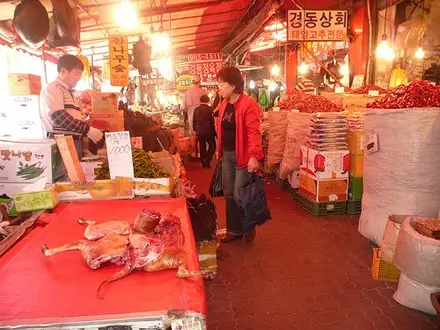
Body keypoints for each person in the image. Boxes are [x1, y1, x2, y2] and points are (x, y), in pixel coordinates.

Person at [216, 66, 264, 243]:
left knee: (239, 194)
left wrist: (253, 156)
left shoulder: (248, 104)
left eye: (222, 84)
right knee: (228, 194)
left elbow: (253, 131)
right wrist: (219, 151)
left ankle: (249, 225)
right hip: (227, 155)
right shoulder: (223, 104)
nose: (219, 88)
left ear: (233, 86)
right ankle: (234, 229)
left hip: (243, 155)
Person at [40, 55, 104, 159]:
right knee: (67, 173)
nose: (79, 78)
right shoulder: (53, 88)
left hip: (73, 141)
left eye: (80, 74)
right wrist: (88, 130)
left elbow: (72, 116)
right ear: (63, 71)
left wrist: (86, 122)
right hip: (61, 142)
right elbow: (60, 118)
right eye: (77, 74)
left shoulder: (69, 92)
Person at [182, 74, 207, 159]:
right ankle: (200, 154)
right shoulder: (203, 91)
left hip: (191, 116)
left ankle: (193, 153)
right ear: (199, 82)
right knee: (200, 136)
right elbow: (207, 104)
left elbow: (184, 107)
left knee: (193, 135)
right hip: (202, 117)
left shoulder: (187, 92)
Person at [193, 94, 216, 168]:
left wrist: (195, 130)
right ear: (208, 100)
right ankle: (207, 159)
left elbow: (194, 120)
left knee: (202, 146)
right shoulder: (210, 109)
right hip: (208, 130)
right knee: (212, 146)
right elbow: (212, 121)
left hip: (199, 130)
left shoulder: (196, 109)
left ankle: (203, 163)